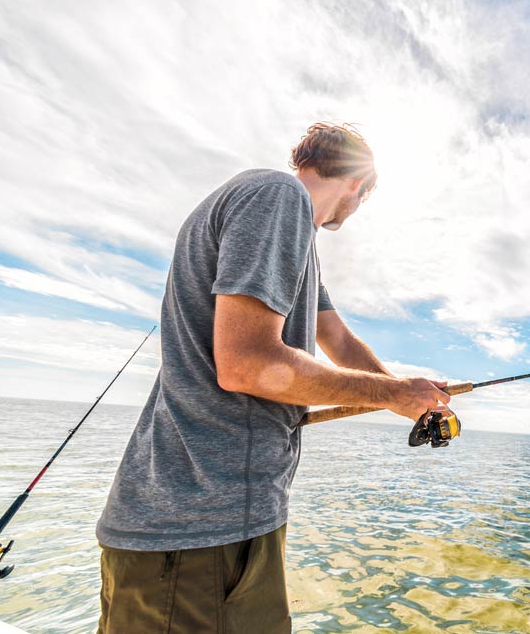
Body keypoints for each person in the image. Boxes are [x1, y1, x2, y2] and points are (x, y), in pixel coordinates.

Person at [95, 123, 453, 633]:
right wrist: (392, 393)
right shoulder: (277, 197)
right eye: (366, 194)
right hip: (199, 529)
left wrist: (411, 399)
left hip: (210, 526)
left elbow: (340, 341)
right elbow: (245, 362)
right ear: (357, 183)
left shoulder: (294, 231)